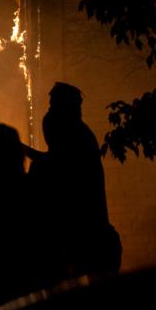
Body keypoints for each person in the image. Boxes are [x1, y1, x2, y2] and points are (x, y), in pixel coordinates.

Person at [27, 83, 121, 285]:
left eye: (54, 104)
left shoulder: (74, 133)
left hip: (80, 228)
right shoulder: (77, 132)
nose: (50, 108)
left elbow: (59, 164)